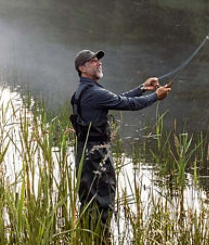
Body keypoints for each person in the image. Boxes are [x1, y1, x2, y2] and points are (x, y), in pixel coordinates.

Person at [70, 49, 171, 222]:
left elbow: (118, 99)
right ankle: (101, 243)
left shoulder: (84, 91)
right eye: (93, 61)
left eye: (98, 60)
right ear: (82, 68)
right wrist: (155, 96)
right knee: (102, 199)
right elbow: (128, 104)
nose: (99, 63)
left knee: (89, 201)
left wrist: (143, 89)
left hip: (85, 152)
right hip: (96, 154)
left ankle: (89, 242)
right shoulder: (94, 93)